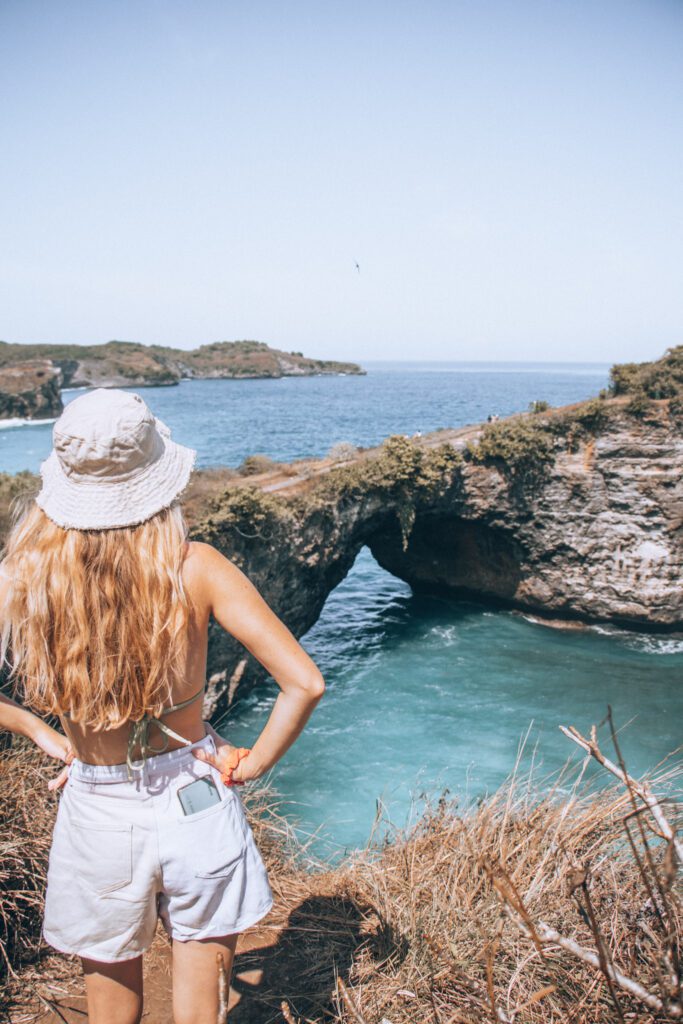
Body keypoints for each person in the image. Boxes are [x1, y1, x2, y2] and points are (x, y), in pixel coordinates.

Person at [0, 388, 325, 1024]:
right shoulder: (195, 566)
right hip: (195, 795)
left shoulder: (25, 573)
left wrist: (39, 730)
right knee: (201, 1002)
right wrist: (252, 763)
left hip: (96, 804)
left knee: (109, 998)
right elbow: (305, 683)